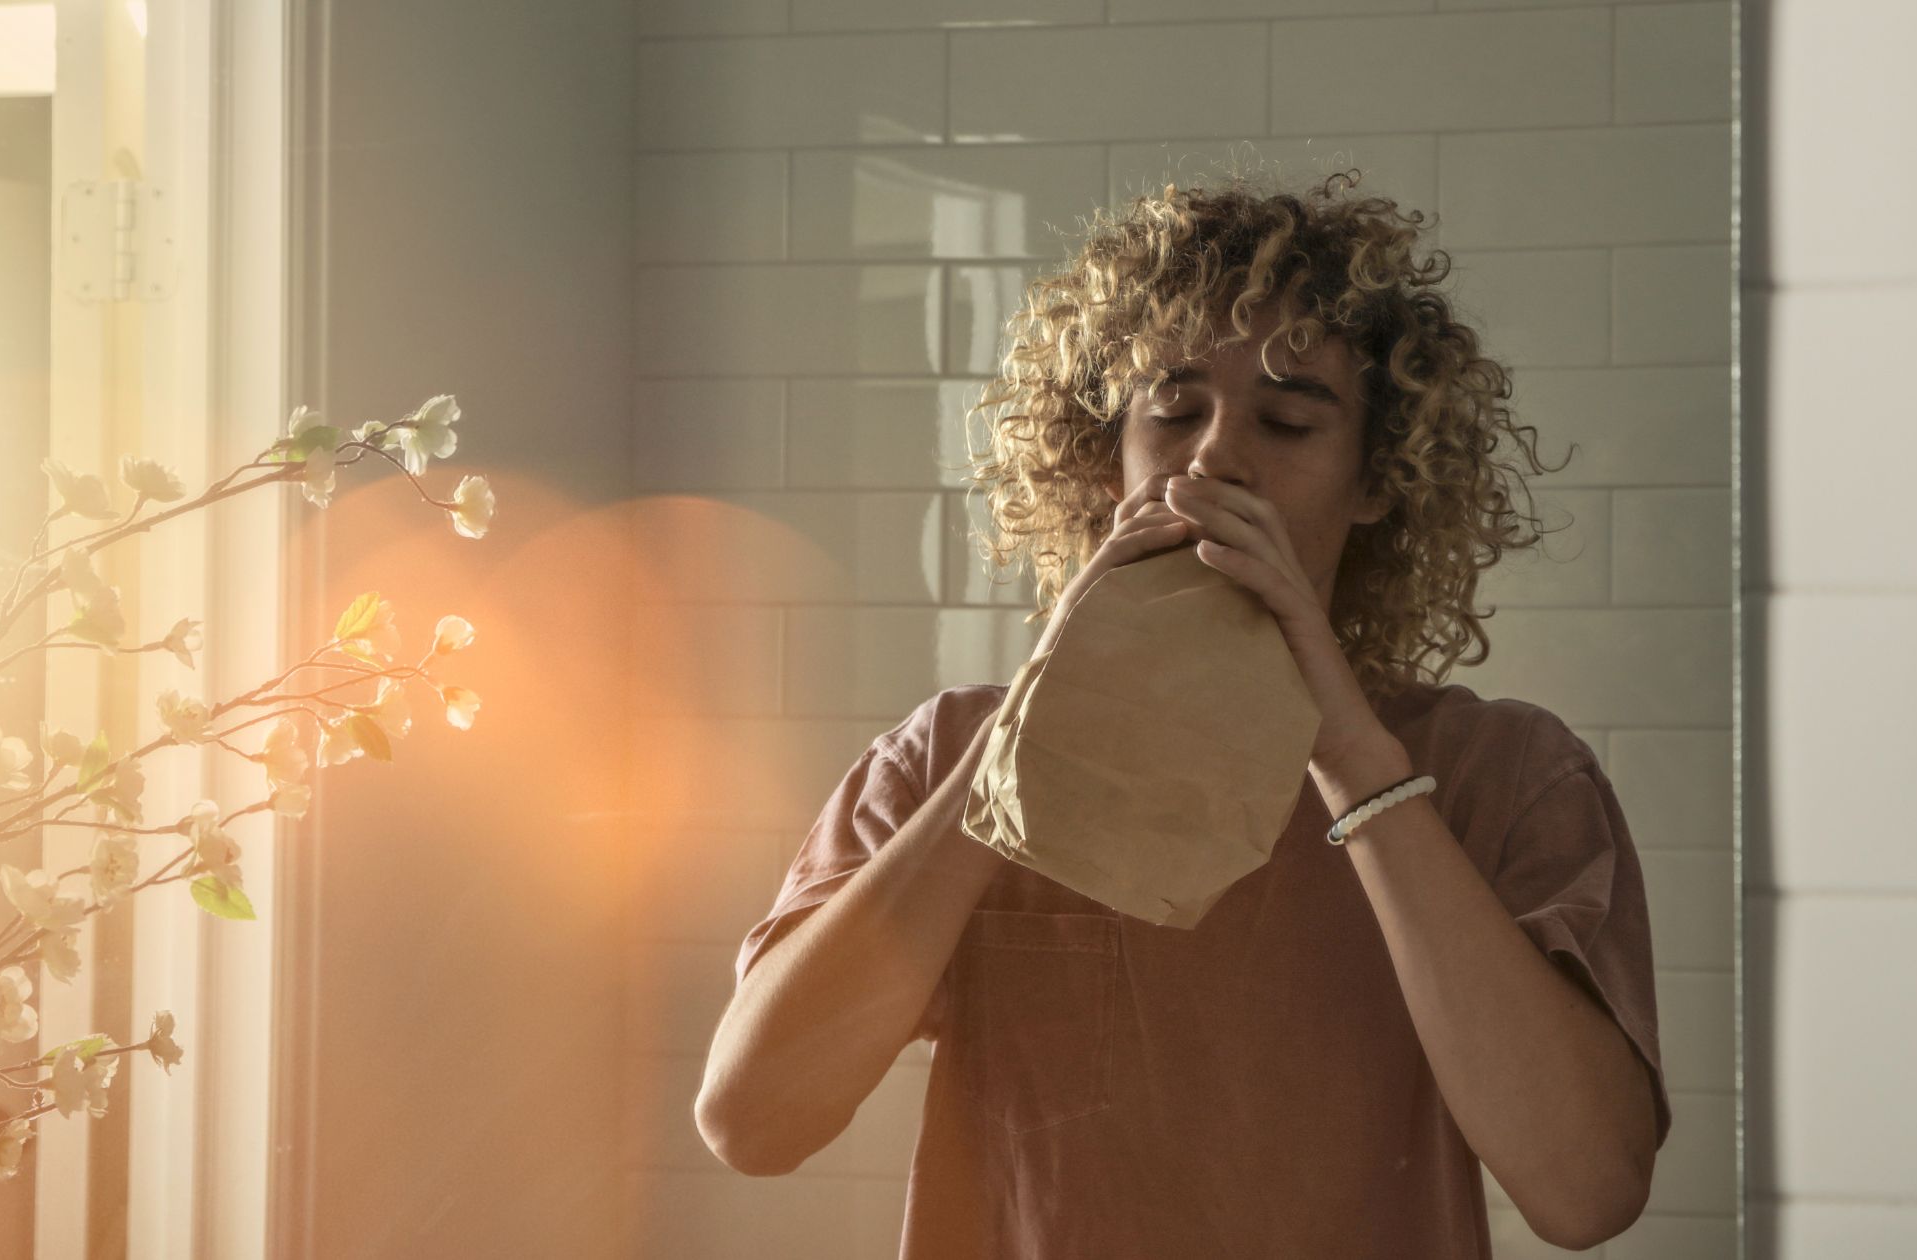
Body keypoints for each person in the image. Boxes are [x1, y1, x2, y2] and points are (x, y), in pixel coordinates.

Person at [695, 168, 1671, 1258]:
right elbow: (752, 1121)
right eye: (1171, 413)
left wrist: (1352, 759)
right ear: (1104, 457)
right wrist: (1026, 737)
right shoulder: (941, 756)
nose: (1212, 457)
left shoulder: (1504, 774)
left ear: (1375, 482)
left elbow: (1585, 1195)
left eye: (1288, 422)